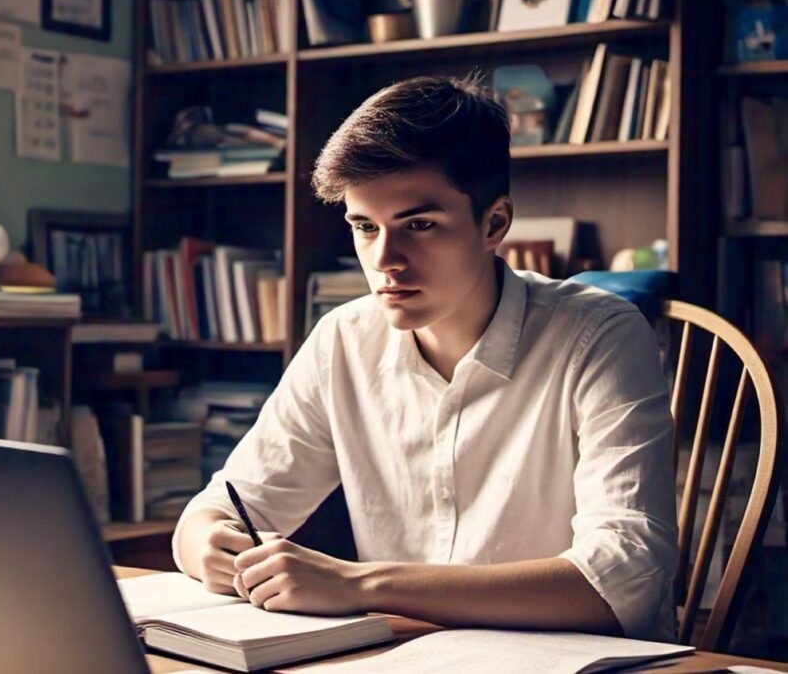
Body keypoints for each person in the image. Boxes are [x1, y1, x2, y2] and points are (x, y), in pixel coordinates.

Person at [172, 75, 678, 641]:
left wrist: (362, 585)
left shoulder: (600, 334)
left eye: (419, 225)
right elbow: (224, 507)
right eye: (365, 227)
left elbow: (626, 579)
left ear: (495, 224)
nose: (385, 260)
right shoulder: (342, 340)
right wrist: (207, 542)